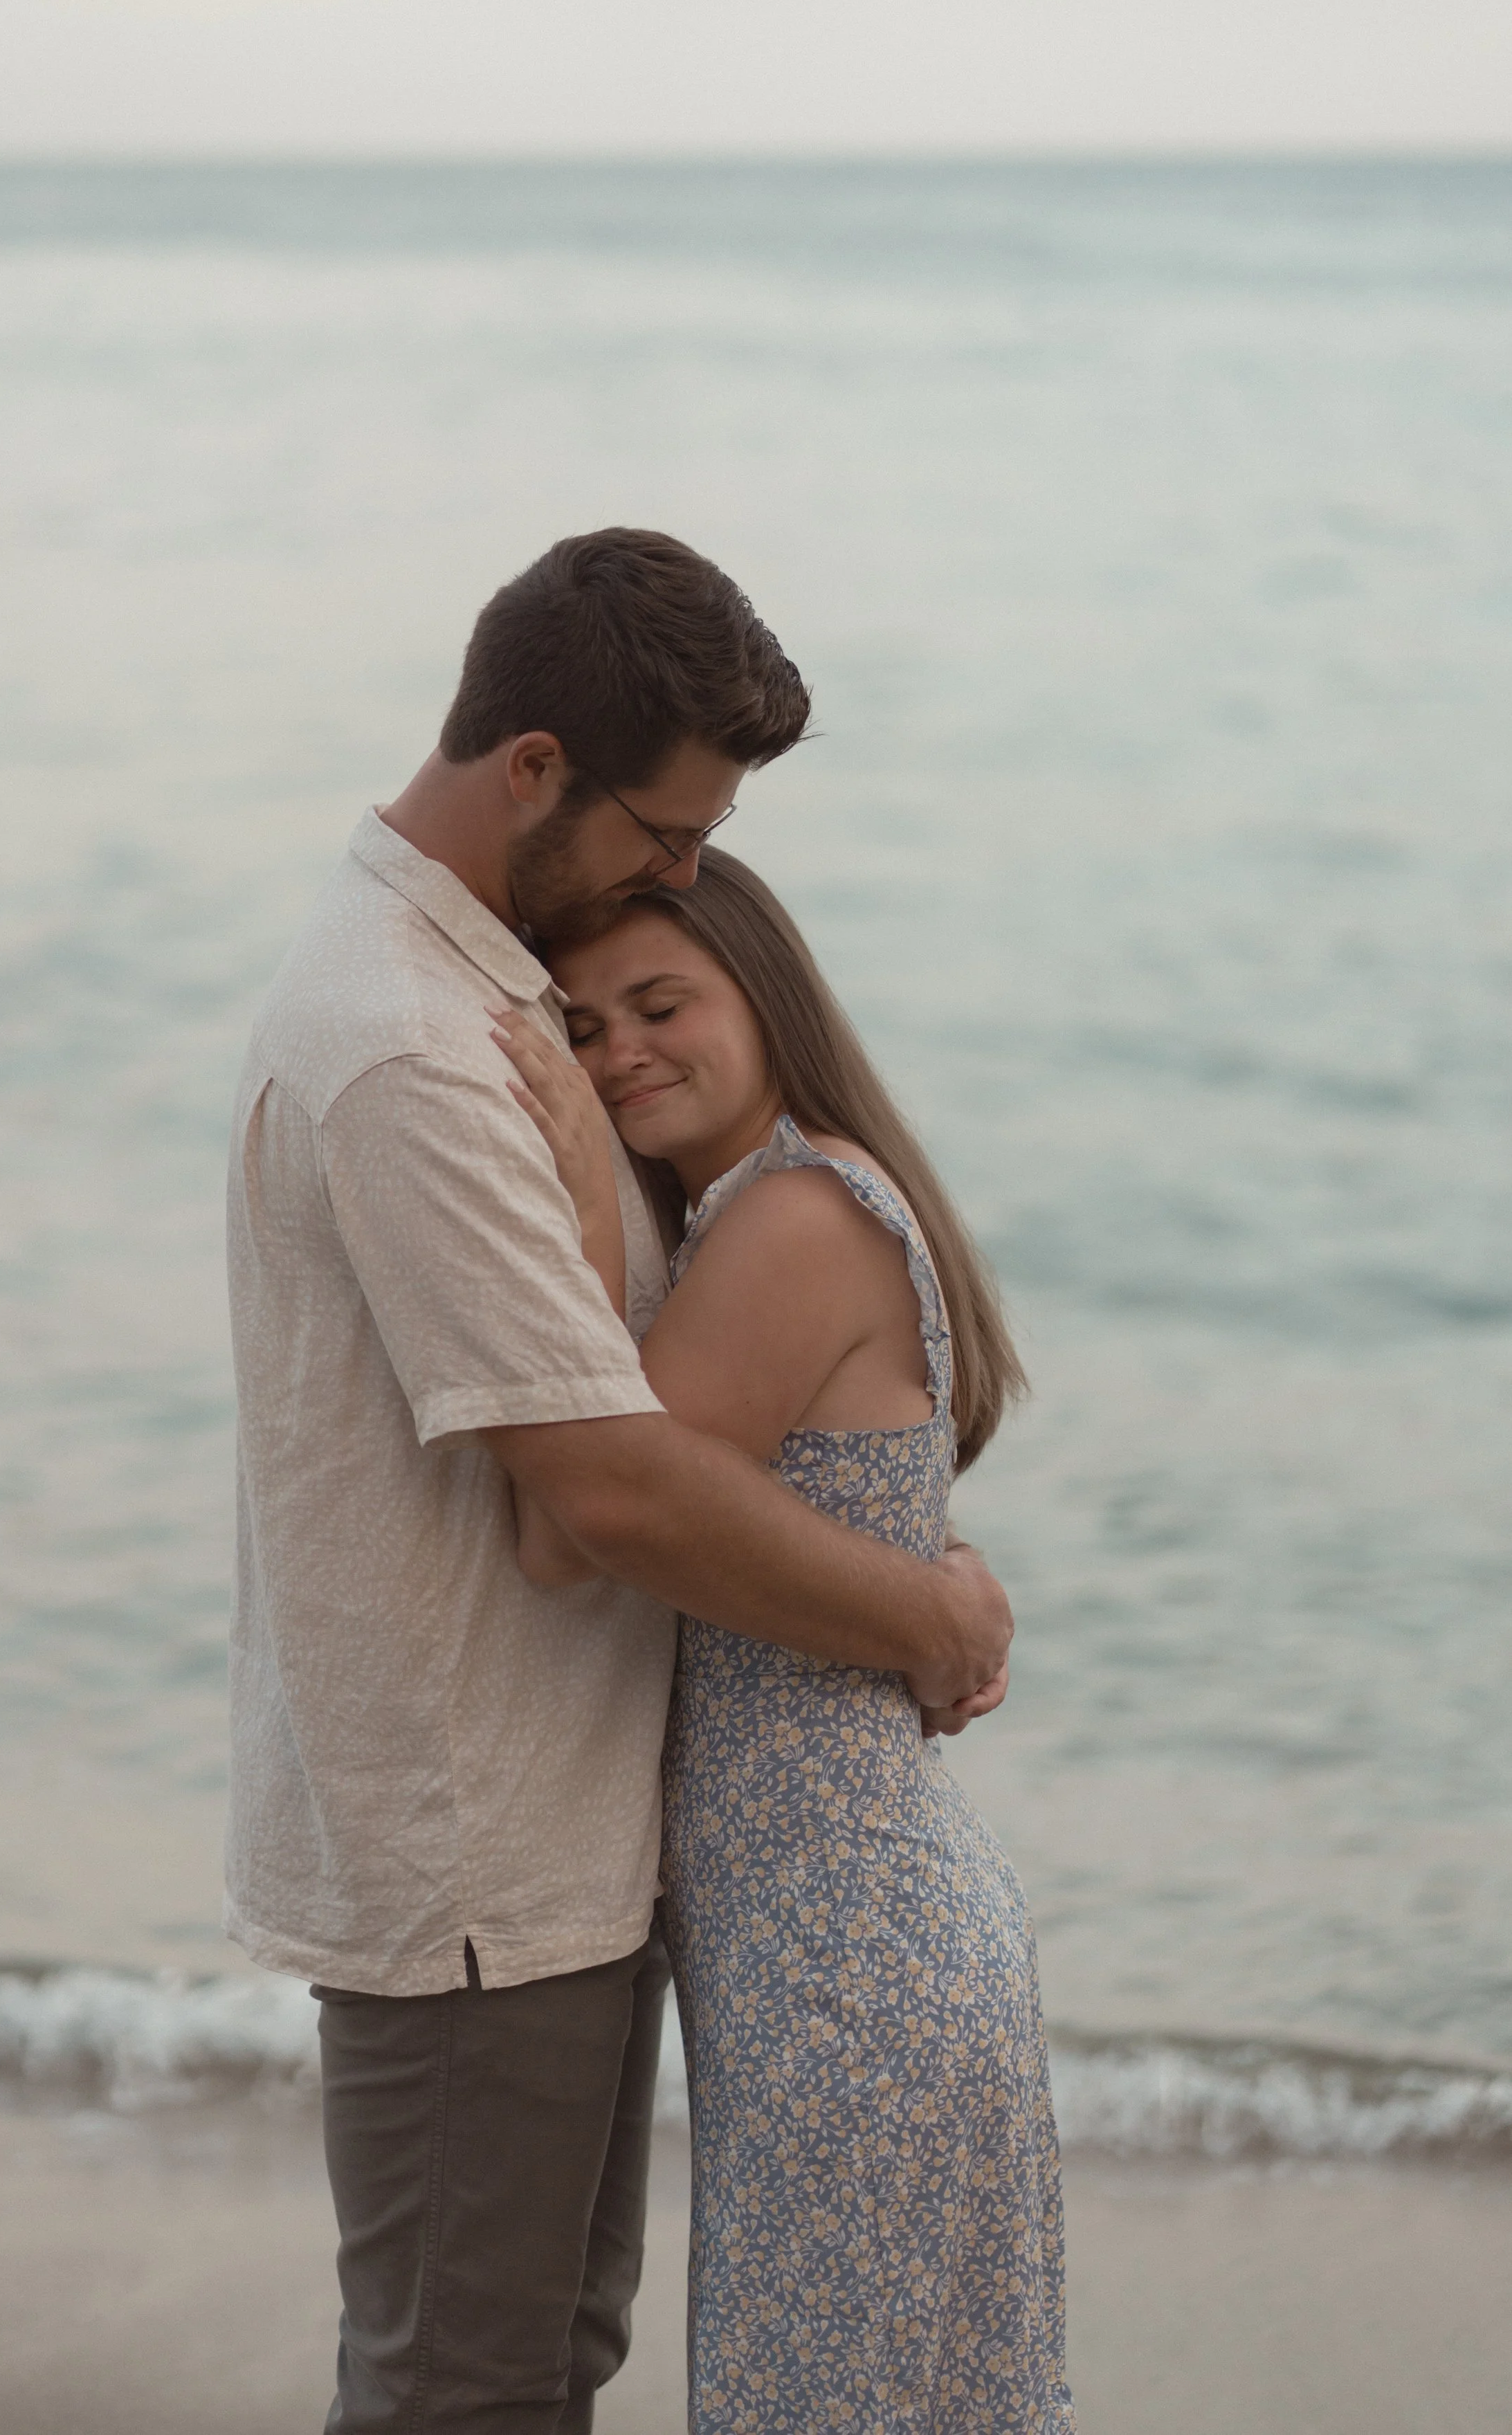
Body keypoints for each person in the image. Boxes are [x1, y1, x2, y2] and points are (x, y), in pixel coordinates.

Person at [224, 526, 1016, 2430]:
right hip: (473, 1866)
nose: (684, 870)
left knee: (524, 2370)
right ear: (532, 771)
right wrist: (926, 1607)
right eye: (663, 834)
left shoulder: (486, 1002)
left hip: (558, 1869)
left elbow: (665, 1418)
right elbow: (603, 1493)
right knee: (466, 2389)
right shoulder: (417, 1045)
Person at [493, 848, 1075, 2431]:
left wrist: (560, 1200)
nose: (619, 1056)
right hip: (840, 1958)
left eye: (659, 1004)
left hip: (848, 1966)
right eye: (583, 1028)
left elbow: (580, 1516)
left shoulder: (791, 1218)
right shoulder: (766, 1214)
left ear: (767, 996)